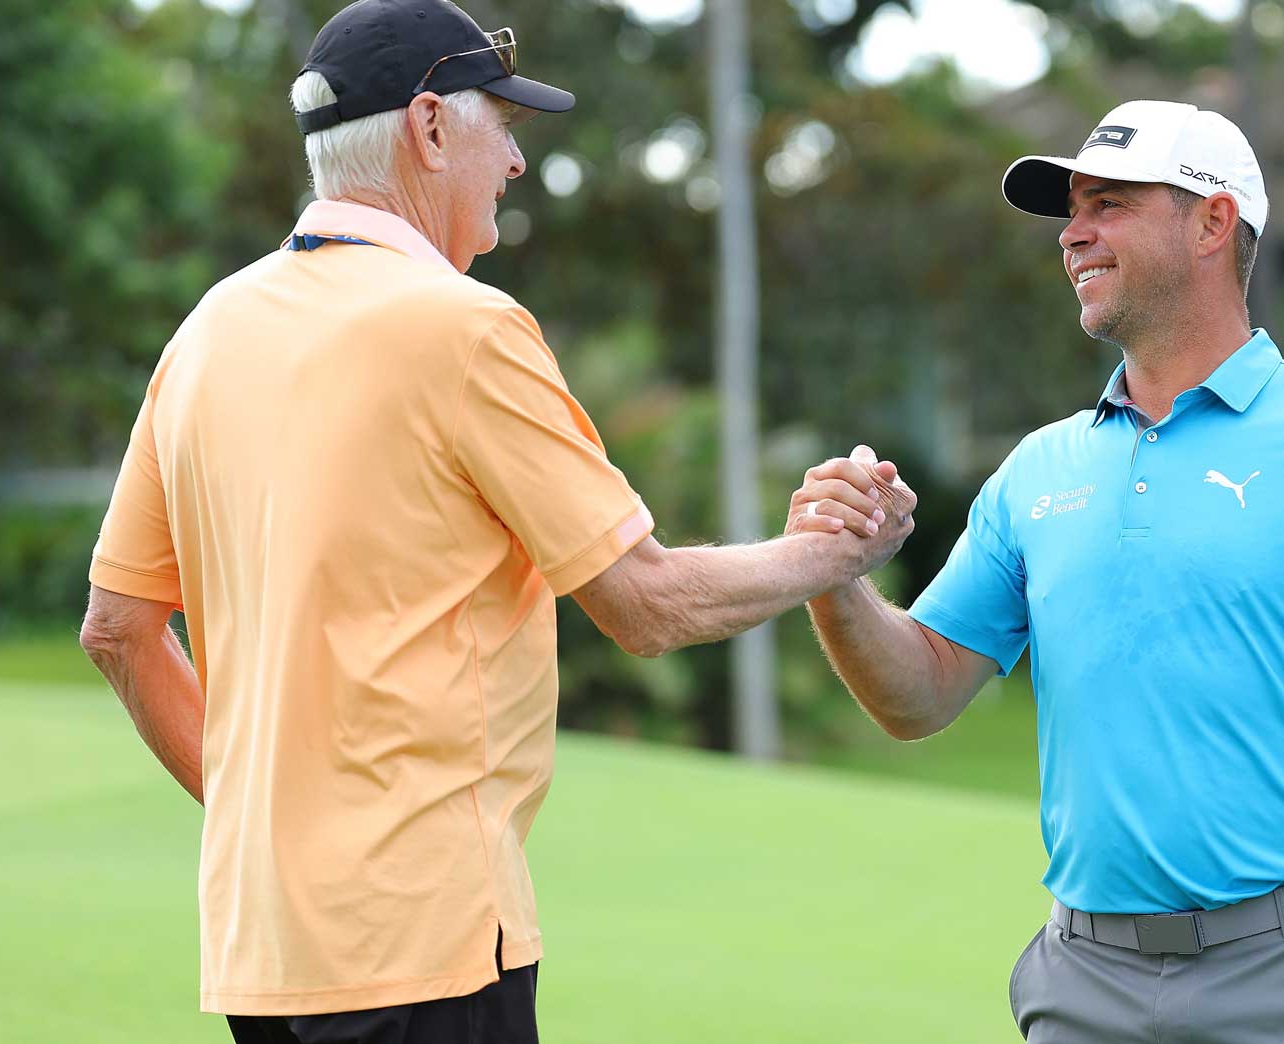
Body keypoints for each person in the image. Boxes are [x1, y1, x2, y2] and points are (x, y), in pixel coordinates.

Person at [76, 3, 905, 1041]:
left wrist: (270, 825)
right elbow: (645, 604)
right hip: (424, 944)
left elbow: (117, 630)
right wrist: (834, 551)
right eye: (501, 127)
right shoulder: (465, 326)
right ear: (429, 127)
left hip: (263, 951)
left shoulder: (208, 331)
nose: (515, 162)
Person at [786, 100, 1284, 1042]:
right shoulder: (1038, 469)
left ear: (1212, 222)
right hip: (1083, 982)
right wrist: (831, 575)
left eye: (1109, 204)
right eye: (1072, 211)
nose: (1072, 234)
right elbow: (917, 694)